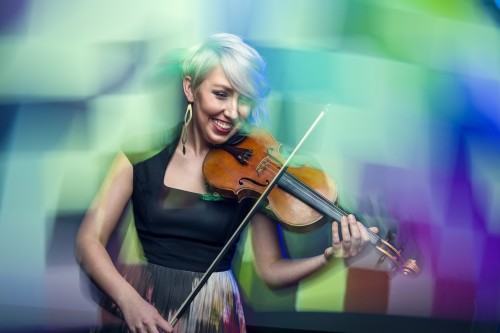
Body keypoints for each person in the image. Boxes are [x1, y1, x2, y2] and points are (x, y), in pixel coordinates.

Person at [76, 33, 378, 333]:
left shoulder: (253, 175)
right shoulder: (139, 156)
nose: (233, 112)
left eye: (244, 99)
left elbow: (271, 272)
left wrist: (329, 257)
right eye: (221, 94)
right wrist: (129, 300)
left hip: (215, 315)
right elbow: (88, 241)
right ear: (190, 88)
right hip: (146, 307)